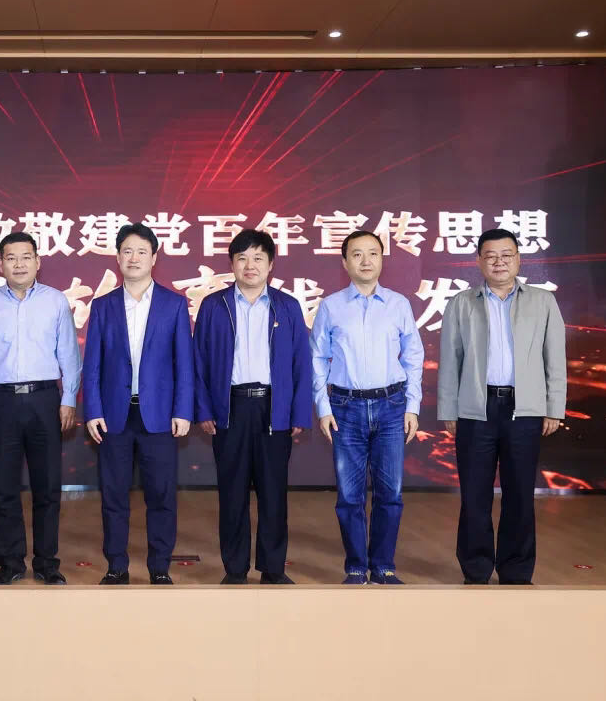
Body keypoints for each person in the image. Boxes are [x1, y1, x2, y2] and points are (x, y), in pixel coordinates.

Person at [438, 228, 566, 585]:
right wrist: (449, 408)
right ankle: (476, 569)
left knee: (520, 494)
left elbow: (555, 357)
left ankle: (516, 571)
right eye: (491, 256)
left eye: (506, 255)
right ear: (479, 261)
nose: (499, 262)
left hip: (523, 410)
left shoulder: (542, 302)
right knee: (474, 495)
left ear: (519, 260)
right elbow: (451, 359)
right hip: (475, 409)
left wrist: (554, 407)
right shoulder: (461, 303)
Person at [193, 229, 313, 584]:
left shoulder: (287, 306)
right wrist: (204, 409)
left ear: (271, 264)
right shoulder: (214, 306)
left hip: (272, 409)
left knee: (274, 493)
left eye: (258, 258)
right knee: (232, 494)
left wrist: (297, 412)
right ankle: (235, 569)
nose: (250, 265)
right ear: (231, 263)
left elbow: (301, 364)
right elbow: (198, 363)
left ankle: (273, 569)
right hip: (229, 408)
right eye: (242, 258)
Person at [83, 224, 194, 585]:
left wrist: (183, 410)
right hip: (114, 416)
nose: (133, 258)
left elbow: (184, 362)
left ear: (154, 258)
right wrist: (93, 410)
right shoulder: (103, 306)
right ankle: (116, 565)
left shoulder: (173, 304)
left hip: (159, 415)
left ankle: (159, 567)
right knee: (113, 496)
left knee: (161, 495)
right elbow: (93, 364)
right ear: (118, 257)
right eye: (127, 251)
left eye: (141, 252)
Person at [0, 231, 81, 585]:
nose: (19, 264)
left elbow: (69, 355)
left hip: (45, 400)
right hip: (0, 402)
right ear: (0, 264)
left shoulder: (56, 301)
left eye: (26, 257)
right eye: (11, 258)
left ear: (38, 262)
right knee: (4, 489)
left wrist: (68, 399)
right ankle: (11, 562)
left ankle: (47, 562)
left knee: (47, 487)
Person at [311, 230, 423, 585]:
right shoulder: (331, 306)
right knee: (349, 495)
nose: (365, 261)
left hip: (392, 406)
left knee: (390, 493)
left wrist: (412, 406)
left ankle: (384, 565)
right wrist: (323, 407)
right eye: (356, 254)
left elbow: (414, 356)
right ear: (345, 262)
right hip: (345, 407)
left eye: (372, 253)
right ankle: (356, 566)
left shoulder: (398, 304)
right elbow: (317, 359)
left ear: (382, 259)